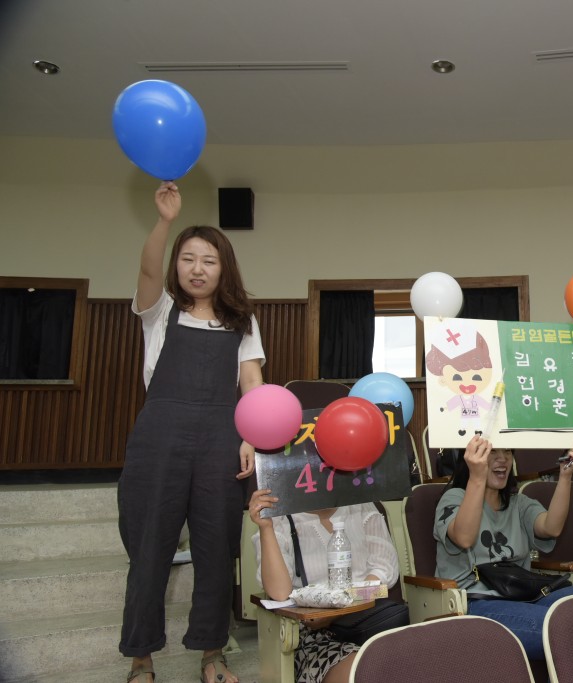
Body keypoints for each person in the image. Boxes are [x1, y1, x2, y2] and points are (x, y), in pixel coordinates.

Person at [119, 182, 266, 683]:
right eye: (187, 259)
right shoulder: (160, 311)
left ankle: (211, 654)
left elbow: (253, 383)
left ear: (224, 267)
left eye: (209, 260)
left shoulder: (243, 320)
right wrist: (163, 222)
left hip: (221, 441)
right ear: (176, 266)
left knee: (214, 546)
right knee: (149, 545)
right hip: (159, 437)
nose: (198, 268)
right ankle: (141, 658)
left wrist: (251, 436)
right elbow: (145, 270)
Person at [433, 435, 573, 660]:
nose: (502, 459)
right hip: (476, 601)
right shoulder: (454, 497)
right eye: (493, 452)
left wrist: (565, 476)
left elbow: (551, 528)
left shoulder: (518, 503)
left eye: (508, 452)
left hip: (525, 595)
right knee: (562, 628)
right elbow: (463, 537)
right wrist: (477, 477)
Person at [248, 490, 401, 683]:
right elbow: (279, 593)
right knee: (362, 672)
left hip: (365, 622)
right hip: (312, 637)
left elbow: (384, 576)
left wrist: (339, 610)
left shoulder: (361, 505)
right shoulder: (280, 519)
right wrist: (266, 528)